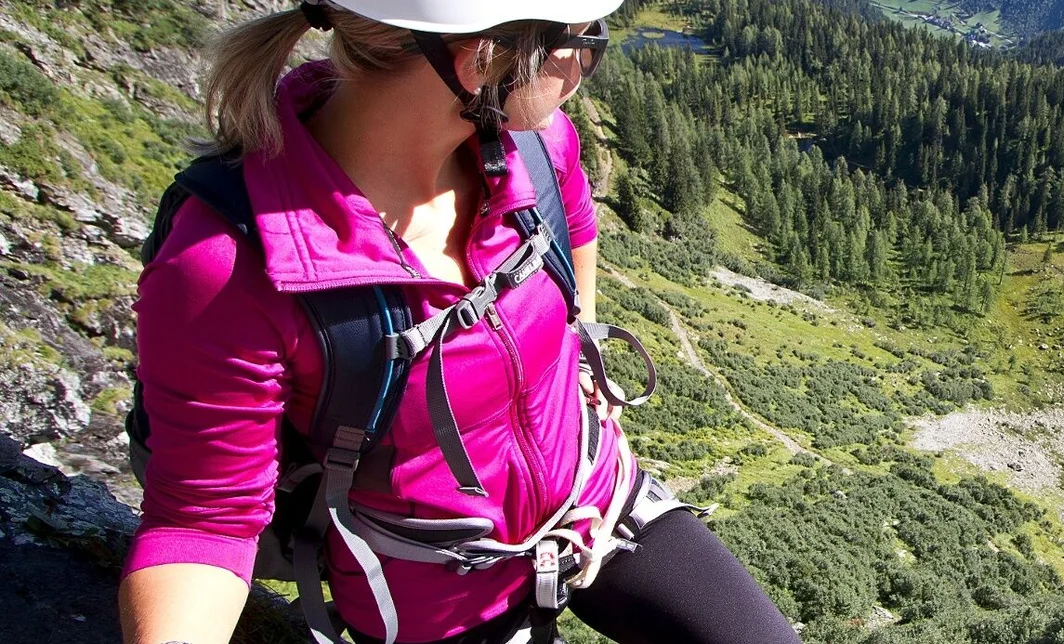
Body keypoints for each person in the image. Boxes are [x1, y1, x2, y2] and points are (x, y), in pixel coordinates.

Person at [117, 1, 802, 643]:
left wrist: (578, 335)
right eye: (584, 43)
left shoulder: (533, 146)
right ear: (482, 58)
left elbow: (575, 225)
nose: (587, 68)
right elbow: (202, 527)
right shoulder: (229, 269)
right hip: (440, 599)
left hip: (596, 503)